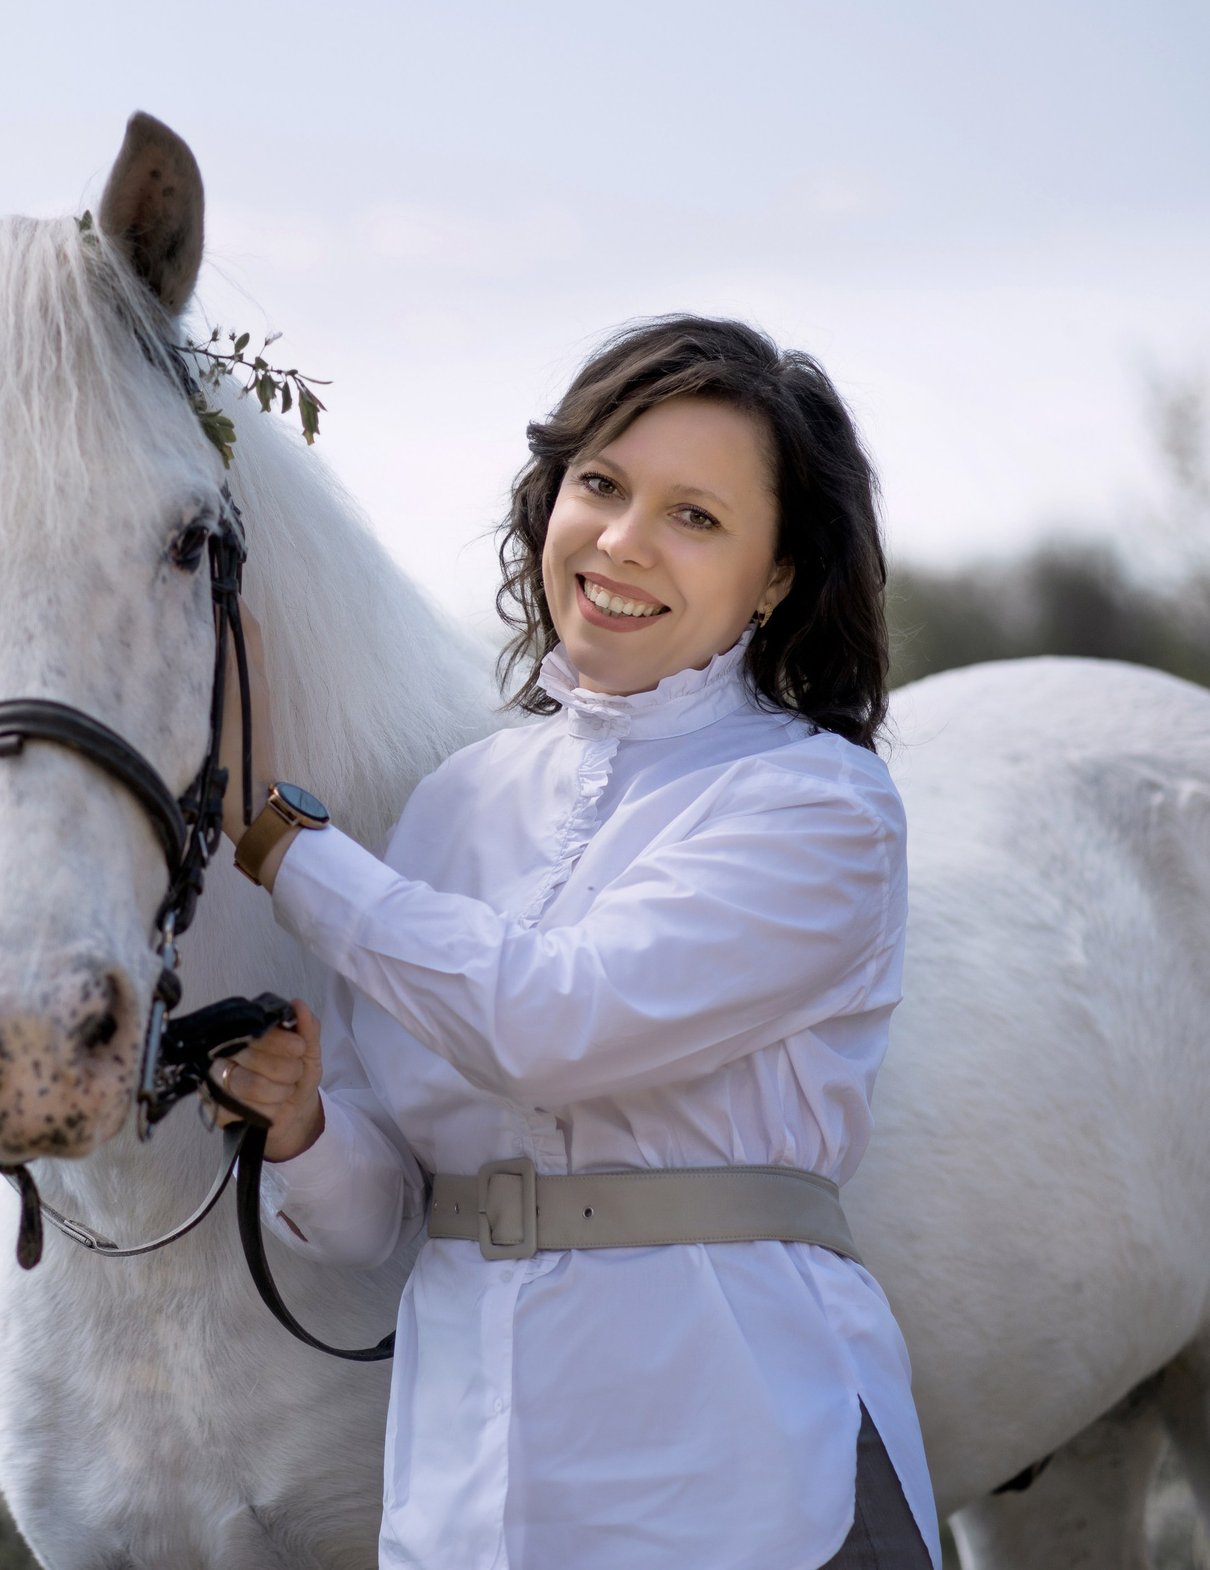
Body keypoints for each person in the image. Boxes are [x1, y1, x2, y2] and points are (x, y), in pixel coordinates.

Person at [214, 316, 938, 1569]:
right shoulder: (455, 804)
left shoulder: (818, 805)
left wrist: (284, 841)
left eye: (694, 516)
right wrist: (304, 1133)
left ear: (776, 576)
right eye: (600, 484)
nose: (620, 540)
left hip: (747, 1480)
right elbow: (384, 1211)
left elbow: (553, 1026)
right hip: (469, 1498)